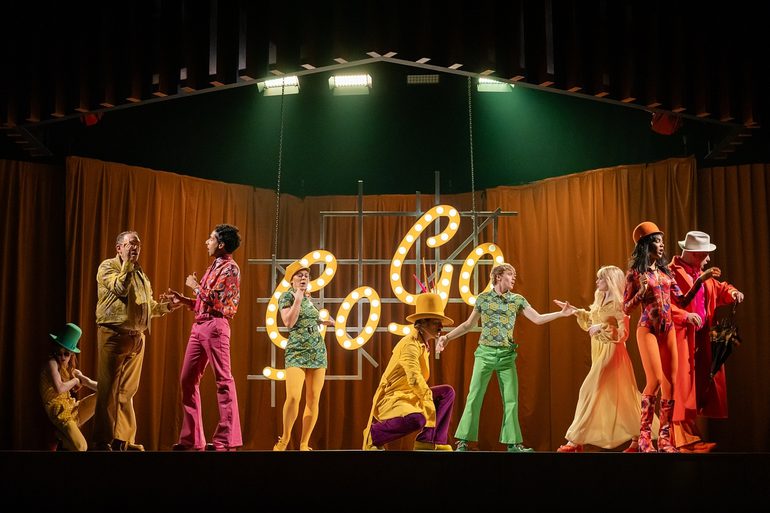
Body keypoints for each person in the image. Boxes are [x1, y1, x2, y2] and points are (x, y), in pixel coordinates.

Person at [436, 263, 575, 452]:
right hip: (484, 353)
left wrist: (561, 314)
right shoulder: (483, 299)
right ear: (499, 276)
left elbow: (537, 319)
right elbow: (468, 325)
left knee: (511, 400)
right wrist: (447, 337)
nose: (514, 278)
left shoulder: (517, 300)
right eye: (511, 275)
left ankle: (513, 444)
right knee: (474, 397)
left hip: (506, 356)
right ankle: (463, 442)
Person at [623, 222, 716, 453]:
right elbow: (625, 308)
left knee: (671, 387)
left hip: (668, 330)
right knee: (653, 380)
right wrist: (641, 293)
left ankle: (664, 438)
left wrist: (700, 280)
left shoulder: (665, 273)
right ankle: (645, 437)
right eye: (656, 241)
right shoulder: (635, 273)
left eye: (662, 241)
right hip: (648, 329)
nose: (662, 245)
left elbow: (682, 301)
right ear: (646, 245)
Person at [94, 230, 179, 451]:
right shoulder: (108, 267)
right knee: (108, 390)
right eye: (131, 244)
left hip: (137, 338)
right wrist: (129, 265)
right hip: (114, 335)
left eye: (138, 245)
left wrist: (168, 306)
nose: (136, 248)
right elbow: (120, 288)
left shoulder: (141, 274)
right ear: (119, 248)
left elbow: (148, 307)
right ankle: (103, 441)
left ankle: (124, 440)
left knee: (127, 392)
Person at [554, 266, 652, 453]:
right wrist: (574, 311)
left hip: (612, 351)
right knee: (622, 396)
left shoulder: (619, 304)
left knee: (587, 389)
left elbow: (624, 335)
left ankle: (575, 441)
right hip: (598, 349)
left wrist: (603, 328)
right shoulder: (600, 299)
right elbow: (592, 319)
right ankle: (638, 438)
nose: (597, 282)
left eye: (601, 279)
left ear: (610, 281)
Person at [167, 224, 243, 451]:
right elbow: (205, 302)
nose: (206, 242)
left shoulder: (231, 268)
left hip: (216, 327)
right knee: (187, 379)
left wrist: (195, 286)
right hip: (200, 326)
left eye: (210, 239)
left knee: (223, 380)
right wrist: (185, 300)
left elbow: (218, 302)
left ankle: (226, 440)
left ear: (221, 244)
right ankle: (192, 439)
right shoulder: (214, 266)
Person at [669, 230, 744, 453]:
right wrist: (684, 316)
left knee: (698, 386)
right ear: (694, 253)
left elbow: (718, 289)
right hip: (681, 337)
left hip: (701, 338)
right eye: (705, 254)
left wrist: (732, 292)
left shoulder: (702, 273)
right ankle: (682, 440)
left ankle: (689, 437)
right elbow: (664, 304)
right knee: (681, 387)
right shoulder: (672, 274)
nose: (709, 259)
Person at [363, 293, 456, 451]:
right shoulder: (410, 345)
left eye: (441, 322)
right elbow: (414, 378)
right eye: (436, 323)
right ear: (421, 323)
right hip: (392, 397)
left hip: (409, 395)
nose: (441, 327)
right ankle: (374, 434)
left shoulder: (423, 344)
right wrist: (427, 403)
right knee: (417, 419)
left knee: (446, 393)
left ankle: (428, 440)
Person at [273, 262, 335, 451]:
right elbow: (289, 322)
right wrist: (298, 296)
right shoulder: (287, 296)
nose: (304, 278)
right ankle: (284, 439)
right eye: (299, 275)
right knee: (293, 397)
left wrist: (323, 321)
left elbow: (307, 318)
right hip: (296, 350)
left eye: (306, 275)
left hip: (317, 350)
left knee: (313, 398)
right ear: (291, 279)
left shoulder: (309, 299)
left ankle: (304, 443)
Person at [40, 323, 98, 451]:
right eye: (58, 352)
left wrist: (112, 389)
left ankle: (60, 436)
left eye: (66, 354)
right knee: (81, 447)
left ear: (72, 354)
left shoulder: (72, 370)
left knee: (102, 396)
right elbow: (59, 388)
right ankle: (60, 435)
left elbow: (89, 383)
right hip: (59, 412)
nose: (61, 357)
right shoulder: (52, 364)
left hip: (72, 408)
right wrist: (76, 380)